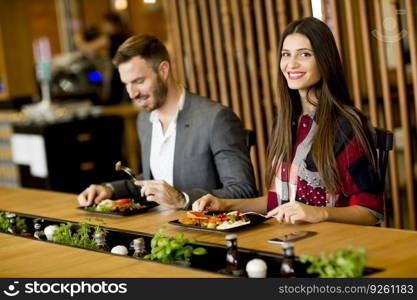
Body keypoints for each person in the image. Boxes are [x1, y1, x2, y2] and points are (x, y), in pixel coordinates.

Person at [192, 17, 383, 226]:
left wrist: (320, 213)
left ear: (324, 60)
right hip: (286, 240)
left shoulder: (345, 125)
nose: (291, 64)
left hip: (331, 247)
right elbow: (279, 202)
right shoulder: (284, 123)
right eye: (286, 54)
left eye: (304, 54)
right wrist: (225, 204)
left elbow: (370, 211)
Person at [77, 34, 258, 209]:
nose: (132, 93)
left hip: (205, 235)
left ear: (163, 70)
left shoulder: (216, 119)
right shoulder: (144, 119)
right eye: (126, 84)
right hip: (159, 231)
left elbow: (244, 191)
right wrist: (110, 190)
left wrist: (183, 199)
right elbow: (154, 180)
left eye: (139, 81)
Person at [73, 12, 128, 104]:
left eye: (104, 24)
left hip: (117, 72)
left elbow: (86, 47)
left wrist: (77, 38)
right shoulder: (125, 35)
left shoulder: (111, 38)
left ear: (110, 23)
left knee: (114, 101)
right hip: (124, 71)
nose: (104, 27)